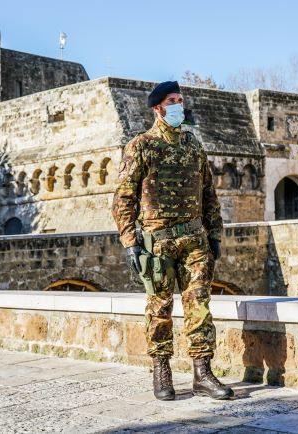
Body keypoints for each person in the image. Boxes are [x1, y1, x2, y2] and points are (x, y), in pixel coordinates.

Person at [112, 81, 234, 401]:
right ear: (158, 108)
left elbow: (209, 195)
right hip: (158, 242)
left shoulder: (193, 146)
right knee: (160, 307)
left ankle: (202, 373)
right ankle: (162, 369)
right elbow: (123, 198)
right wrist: (130, 241)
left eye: (180, 99)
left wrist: (215, 233)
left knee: (199, 307)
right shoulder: (141, 146)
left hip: (195, 240)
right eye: (172, 100)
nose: (179, 105)